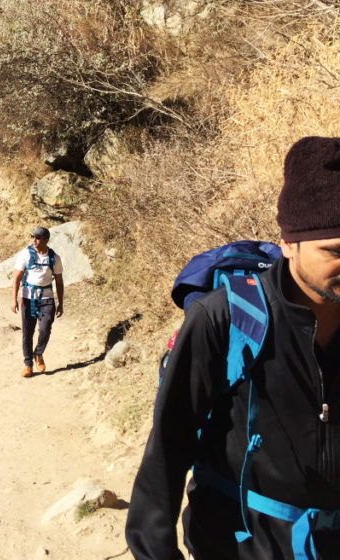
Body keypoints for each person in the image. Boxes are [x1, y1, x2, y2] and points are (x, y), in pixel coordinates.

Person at [126, 136, 340, 560]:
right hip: (240, 543)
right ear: (289, 243)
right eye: (334, 250)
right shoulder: (225, 317)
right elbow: (169, 444)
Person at [11, 226, 64, 377]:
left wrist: (61, 303)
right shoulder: (25, 254)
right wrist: (13, 300)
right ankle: (28, 364)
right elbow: (16, 277)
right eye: (32, 237)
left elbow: (59, 282)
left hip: (47, 299)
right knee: (27, 333)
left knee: (45, 330)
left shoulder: (54, 258)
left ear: (46, 240)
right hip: (28, 298)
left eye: (38, 238)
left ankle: (38, 353)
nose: (34, 240)